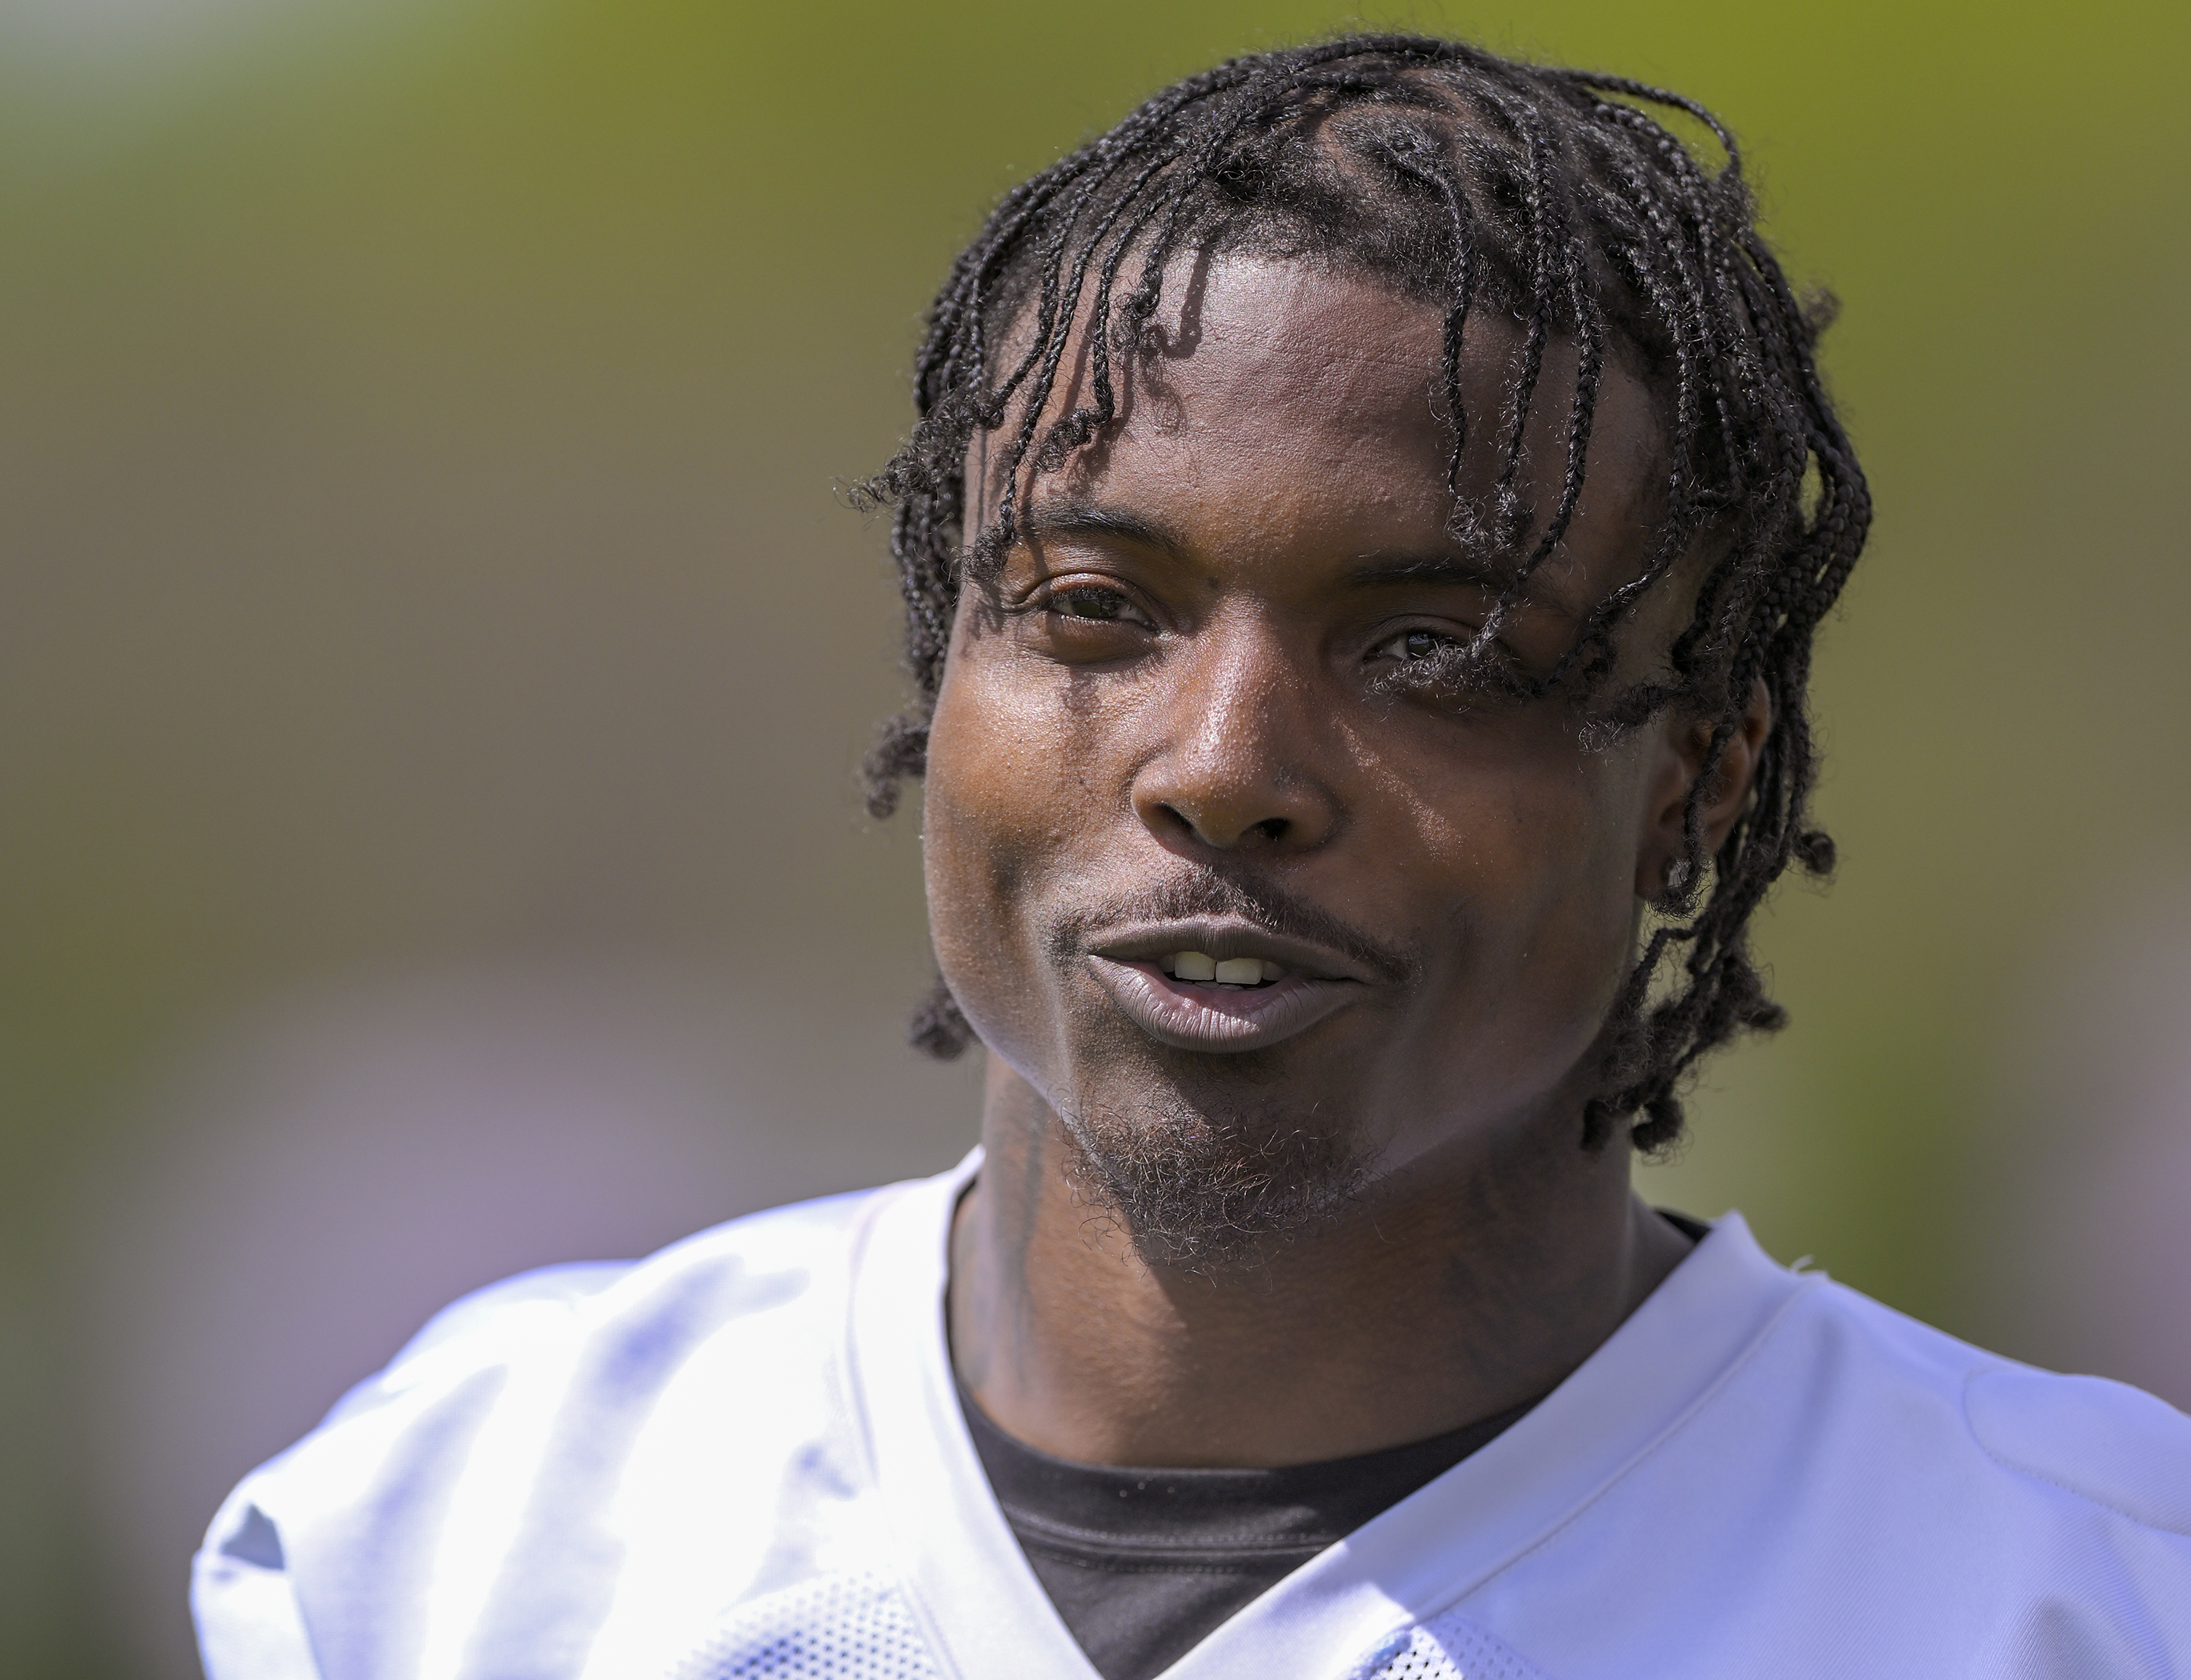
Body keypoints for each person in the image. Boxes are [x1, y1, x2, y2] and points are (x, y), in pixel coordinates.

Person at [190, 34, 2191, 1680]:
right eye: (1090, 606)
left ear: (1700, 779)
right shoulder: (457, 1545)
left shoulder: (2069, 1600)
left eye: (1439, 650)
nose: (1224, 768)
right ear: (944, 664)